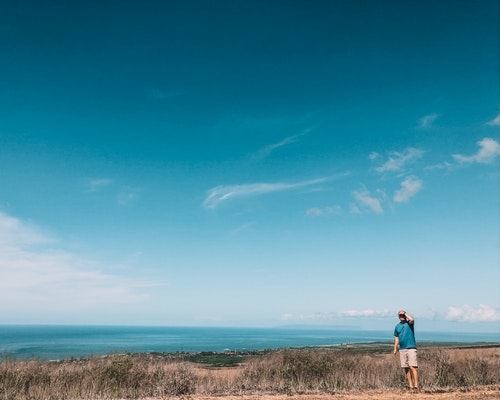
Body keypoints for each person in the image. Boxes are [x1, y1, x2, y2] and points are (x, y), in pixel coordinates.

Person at [393, 310, 418, 390]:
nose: (402, 316)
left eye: (403, 315)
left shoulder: (409, 324)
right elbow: (396, 337)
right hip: (402, 349)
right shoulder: (397, 326)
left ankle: (416, 386)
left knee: (412, 366)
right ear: (398, 316)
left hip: (411, 347)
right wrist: (395, 348)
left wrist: (405, 313)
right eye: (400, 315)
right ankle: (411, 386)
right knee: (406, 368)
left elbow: (412, 319)